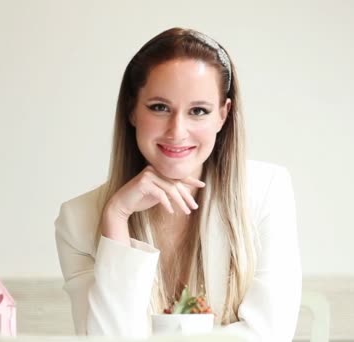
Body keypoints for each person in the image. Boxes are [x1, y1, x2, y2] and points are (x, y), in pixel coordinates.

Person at [54, 27, 301, 341]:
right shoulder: (78, 220)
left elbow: (269, 335)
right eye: (159, 108)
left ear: (223, 116)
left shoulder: (267, 191)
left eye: (198, 111)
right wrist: (116, 218)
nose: (177, 131)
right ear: (132, 109)